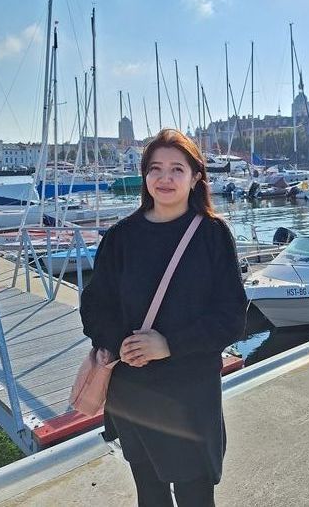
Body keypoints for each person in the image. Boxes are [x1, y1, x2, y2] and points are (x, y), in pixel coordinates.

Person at [80, 128, 247, 507]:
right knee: (150, 494)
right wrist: (120, 343)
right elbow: (94, 305)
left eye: (177, 169)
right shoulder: (121, 237)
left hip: (190, 395)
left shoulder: (212, 235)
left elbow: (232, 317)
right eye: (155, 168)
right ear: (144, 176)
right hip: (133, 392)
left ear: (196, 177)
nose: (165, 178)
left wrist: (169, 345)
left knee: (195, 495)